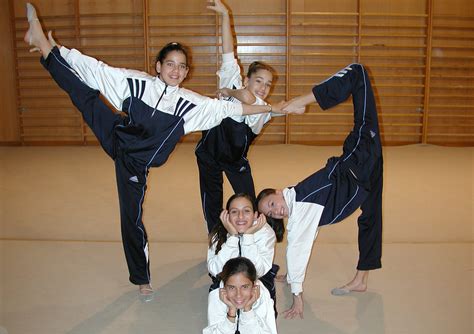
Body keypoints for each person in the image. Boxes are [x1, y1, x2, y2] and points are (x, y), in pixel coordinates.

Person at [24, 3, 287, 299]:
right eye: (170, 64)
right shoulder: (134, 83)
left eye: (181, 66)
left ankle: (142, 277)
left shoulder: (190, 104)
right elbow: (95, 70)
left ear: (187, 72)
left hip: (134, 165)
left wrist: (269, 108)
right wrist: (61, 51)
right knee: (85, 95)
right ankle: (45, 47)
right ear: (158, 66)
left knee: (130, 218)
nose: (175, 70)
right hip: (117, 135)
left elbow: (233, 108)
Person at [257, 63, 383, 319]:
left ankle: (361, 278)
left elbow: (300, 241)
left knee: (371, 218)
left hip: (359, 170)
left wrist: (291, 279)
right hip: (358, 162)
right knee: (357, 73)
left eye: (271, 204)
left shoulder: (298, 202)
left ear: (279, 192)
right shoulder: (300, 207)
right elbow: (298, 246)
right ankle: (299, 101)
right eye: (273, 214)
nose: (276, 211)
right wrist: (296, 293)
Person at [196, 0, 278, 233]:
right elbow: (227, 49)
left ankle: (251, 238)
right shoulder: (231, 77)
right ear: (247, 79)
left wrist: (229, 92)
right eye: (259, 81)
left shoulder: (261, 107)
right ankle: (216, 239)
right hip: (209, 154)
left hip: (235, 160)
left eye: (268, 84)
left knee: (248, 201)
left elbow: (248, 99)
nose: (263, 87)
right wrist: (224, 16)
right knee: (212, 201)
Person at [207, 193, 281, 315]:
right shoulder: (218, 233)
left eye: (246, 211)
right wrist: (232, 239)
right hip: (228, 279)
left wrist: (248, 237)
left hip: (257, 277)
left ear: (255, 215)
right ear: (227, 215)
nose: (240, 216)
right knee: (225, 319)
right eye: (234, 212)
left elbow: (258, 271)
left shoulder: (266, 233)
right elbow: (215, 270)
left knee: (262, 318)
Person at [202, 257, 278, 334]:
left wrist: (248, 309)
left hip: (261, 287)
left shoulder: (263, 296)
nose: (238, 295)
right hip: (227, 301)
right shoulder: (217, 295)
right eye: (231, 287)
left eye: (245, 287)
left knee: (268, 278)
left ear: (254, 285)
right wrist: (231, 312)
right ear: (224, 287)